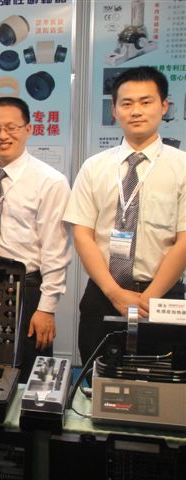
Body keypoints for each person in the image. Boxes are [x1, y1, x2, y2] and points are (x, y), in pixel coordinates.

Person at [64, 66, 186, 365]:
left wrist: (150, 297)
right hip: (103, 294)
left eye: (146, 102)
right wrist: (115, 293)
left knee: (162, 383)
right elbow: (83, 234)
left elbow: (184, 240)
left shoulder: (181, 166)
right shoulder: (94, 167)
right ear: (114, 110)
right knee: (97, 380)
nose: (136, 111)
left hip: (163, 298)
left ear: (164, 106)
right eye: (127, 103)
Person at [0, 97, 71, 381]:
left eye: (11, 127)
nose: (3, 135)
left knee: (29, 375)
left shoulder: (50, 181)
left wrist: (46, 309)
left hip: (24, 288)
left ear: (28, 129)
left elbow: (55, 252)